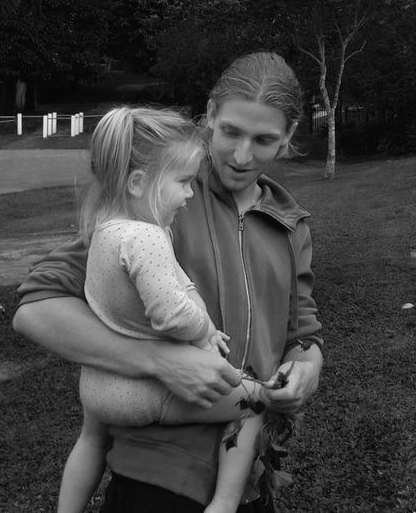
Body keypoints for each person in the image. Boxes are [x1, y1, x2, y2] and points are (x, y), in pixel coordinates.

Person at [15, 52, 323, 513]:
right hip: (154, 483)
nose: (242, 156)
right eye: (231, 132)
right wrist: (160, 361)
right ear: (210, 116)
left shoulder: (290, 225)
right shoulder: (165, 198)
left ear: (289, 137)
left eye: (263, 140)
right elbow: (35, 309)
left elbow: (301, 332)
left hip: (248, 480)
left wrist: (308, 367)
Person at [57, 105, 274, 513]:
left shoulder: (105, 228)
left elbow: (168, 281)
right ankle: (224, 504)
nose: (191, 194)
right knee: (256, 401)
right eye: (183, 182)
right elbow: (169, 314)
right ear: (140, 182)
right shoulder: (146, 237)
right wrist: (205, 330)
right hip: (141, 394)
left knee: (90, 439)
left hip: (98, 383)